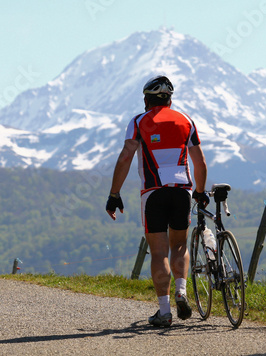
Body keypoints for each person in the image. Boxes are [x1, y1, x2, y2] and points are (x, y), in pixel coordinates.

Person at [106, 75, 209, 327]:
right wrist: (200, 191)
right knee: (180, 245)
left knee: (159, 251)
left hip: (153, 192)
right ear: (170, 99)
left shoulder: (139, 122)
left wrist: (114, 194)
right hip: (182, 190)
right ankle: (182, 292)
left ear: (146, 99)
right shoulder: (186, 120)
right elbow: (200, 162)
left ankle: (164, 311)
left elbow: (125, 158)